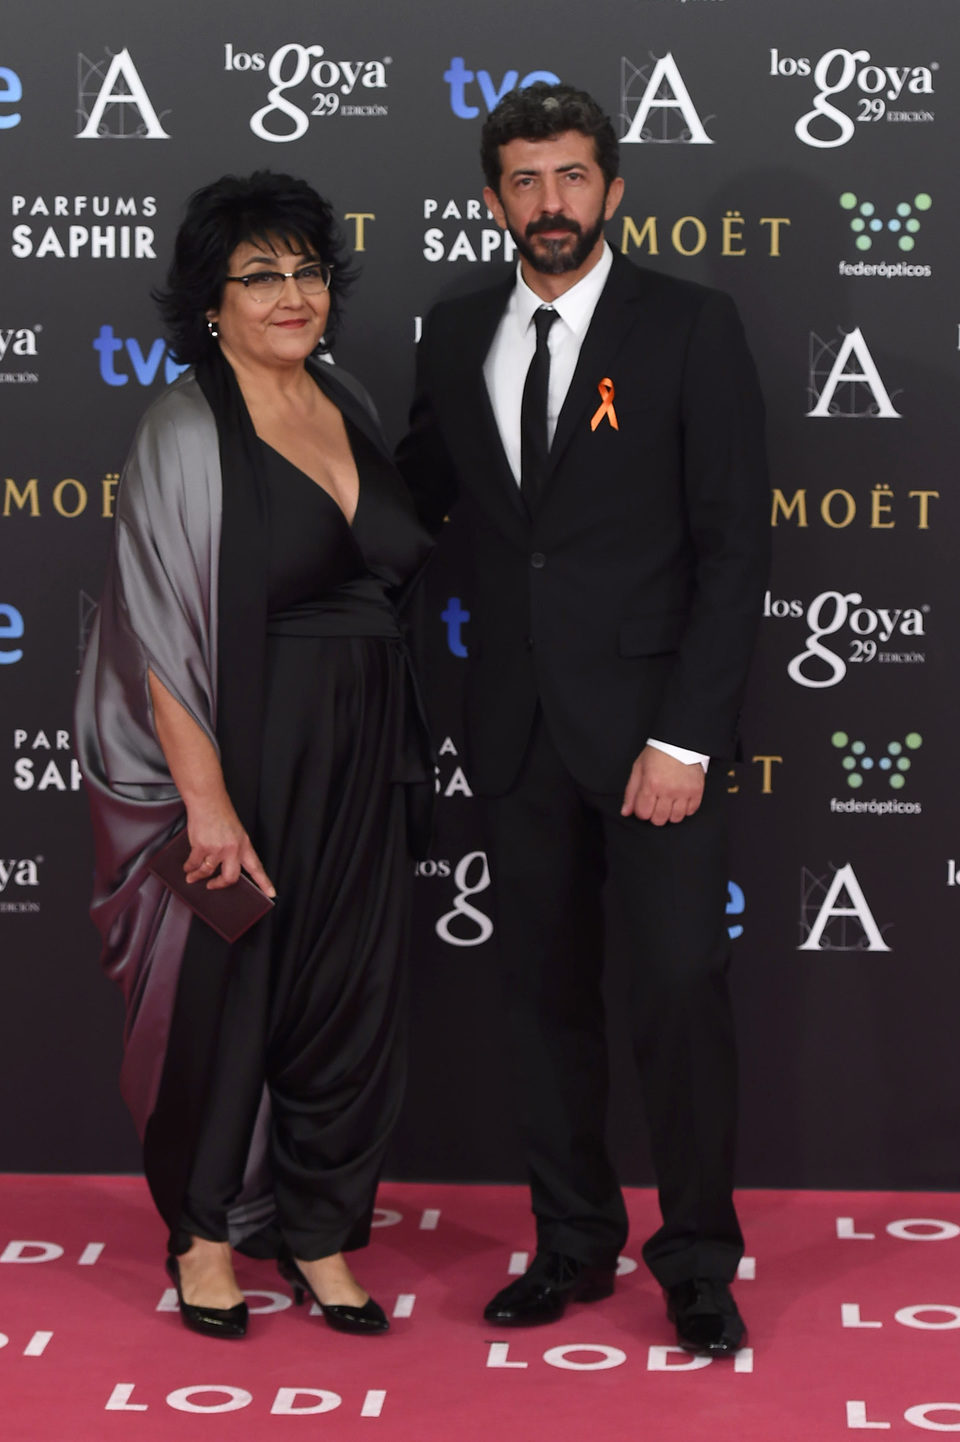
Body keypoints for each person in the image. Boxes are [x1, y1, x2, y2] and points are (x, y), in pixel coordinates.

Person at [397, 84, 769, 1355]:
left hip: (655, 734)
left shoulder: (691, 325)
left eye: (569, 177)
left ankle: (701, 1258)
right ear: (492, 197)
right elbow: (417, 500)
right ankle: (570, 1242)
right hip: (512, 724)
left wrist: (686, 737)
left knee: (676, 987)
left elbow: (733, 551)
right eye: (522, 181)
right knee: (541, 997)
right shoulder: (453, 332)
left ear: (612, 188)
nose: (547, 204)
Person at [76, 171, 433, 1340]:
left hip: (365, 744)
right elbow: (160, 636)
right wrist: (209, 805)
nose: (293, 294)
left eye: (308, 270)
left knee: (349, 994)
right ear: (211, 302)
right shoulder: (185, 426)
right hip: (245, 747)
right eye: (262, 275)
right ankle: (208, 1235)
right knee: (231, 999)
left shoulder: (352, 400)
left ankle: (322, 1231)